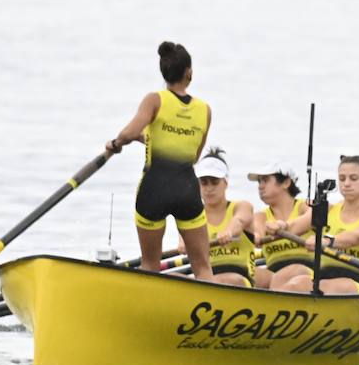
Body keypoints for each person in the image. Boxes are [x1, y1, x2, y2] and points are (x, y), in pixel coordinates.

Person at [105, 41, 213, 281]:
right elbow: (193, 155)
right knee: (203, 268)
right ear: (189, 72)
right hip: (187, 190)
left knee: (150, 265)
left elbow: (128, 133)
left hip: (154, 190)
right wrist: (154, 140)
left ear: (164, 72)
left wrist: (114, 144)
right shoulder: (204, 110)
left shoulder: (155, 100)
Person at [281, 154, 359, 294]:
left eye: (354, 178)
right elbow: (294, 227)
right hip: (321, 278)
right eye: (342, 178)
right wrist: (280, 226)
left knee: (306, 285)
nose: (346, 184)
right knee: (296, 283)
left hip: (354, 283)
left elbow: (355, 238)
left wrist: (327, 241)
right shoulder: (327, 210)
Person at [188, 148, 256, 286]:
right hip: (206, 278)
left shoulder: (241, 206)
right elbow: (184, 241)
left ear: (225, 183)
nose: (209, 188)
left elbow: (240, 220)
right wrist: (184, 244)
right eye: (204, 182)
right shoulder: (192, 217)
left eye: (214, 182)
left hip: (240, 278)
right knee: (172, 277)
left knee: (222, 281)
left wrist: (228, 232)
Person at [250, 162, 311, 290]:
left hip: (307, 270)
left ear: (286, 183)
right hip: (273, 271)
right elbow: (257, 232)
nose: (260, 186)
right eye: (259, 182)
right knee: (246, 274)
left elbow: (310, 218)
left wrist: (284, 226)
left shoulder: (305, 207)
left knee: (283, 276)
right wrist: (255, 236)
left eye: (265, 180)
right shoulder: (260, 216)